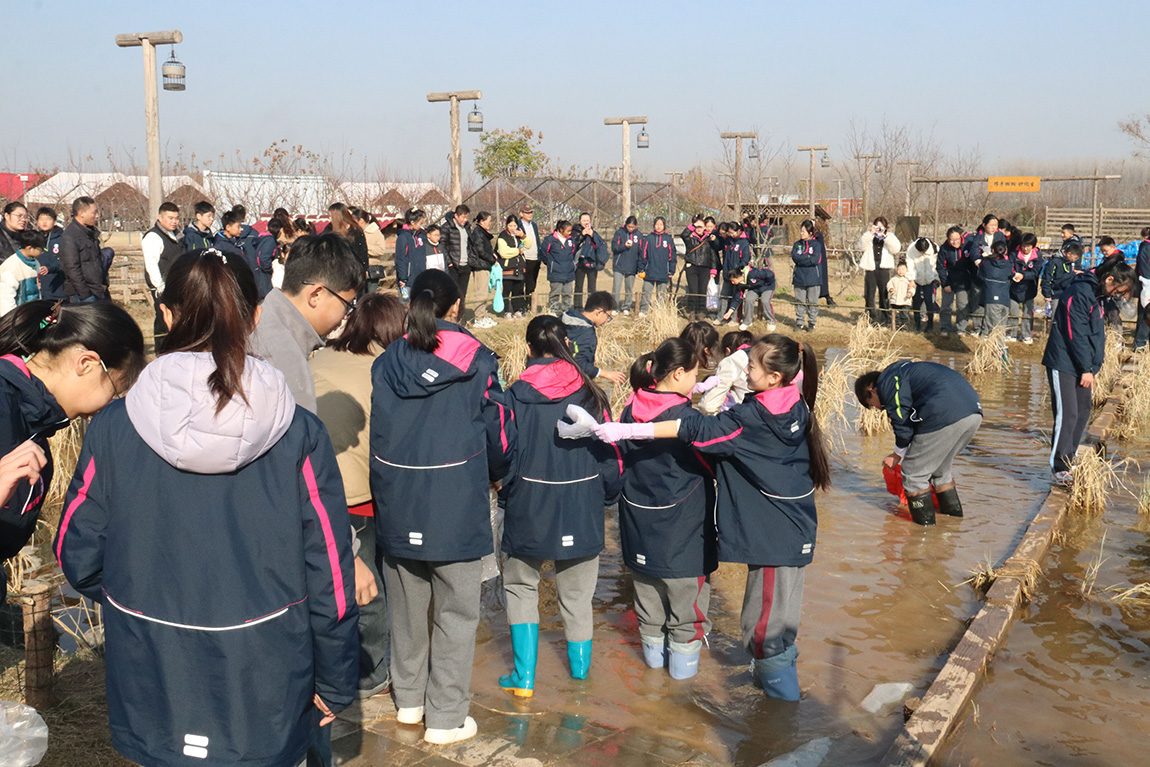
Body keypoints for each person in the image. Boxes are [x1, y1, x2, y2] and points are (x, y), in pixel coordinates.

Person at [55, 250, 357, 767]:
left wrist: (141, 597)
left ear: (166, 314)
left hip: (152, 668)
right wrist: (335, 678)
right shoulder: (297, 430)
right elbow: (330, 570)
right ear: (255, 316)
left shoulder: (112, 427)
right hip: (266, 669)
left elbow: (76, 551)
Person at [562, 333, 830, 701]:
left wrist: (625, 429)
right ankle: (766, 706)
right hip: (785, 528)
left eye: (750, 366)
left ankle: (780, 720)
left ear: (774, 377)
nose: (741, 369)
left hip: (775, 537)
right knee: (767, 625)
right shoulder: (790, 402)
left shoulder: (752, 417)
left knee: (765, 629)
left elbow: (697, 430)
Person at [369, 268, 514, 745]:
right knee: (456, 614)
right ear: (454, 307)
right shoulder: (477, 358)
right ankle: (446, 718)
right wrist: (499, 474)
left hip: (398, 499)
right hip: (455, 499)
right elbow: (498, 432)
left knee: (407, 611)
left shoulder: (387, 359)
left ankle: (409, 702)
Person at [496, 315, 622, 695]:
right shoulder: (592, 393)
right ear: (567, 344)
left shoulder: (514, 394)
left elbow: (502, 454)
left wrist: (504, 494)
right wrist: (608, 496)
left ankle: (524, 679)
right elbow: (612, 454)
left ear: (529, 348)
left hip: (528, 503)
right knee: (578, 597)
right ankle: (580, 679)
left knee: (520, 587)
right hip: (581, 504)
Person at [2, 299, 145, 604]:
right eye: (116, 391)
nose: (111, 405)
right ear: (87, 364)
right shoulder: (4, 405)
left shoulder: (34, 424)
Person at [311, 292, 407, 702]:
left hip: (314, 490)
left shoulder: (316, 357)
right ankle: (371, 674)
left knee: (332, 585)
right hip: (359, 494)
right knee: (371, 588)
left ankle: (331, 666)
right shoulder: (384, 371)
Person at [616, 337, 717, 677]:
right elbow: (712, 460)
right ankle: (680, 697)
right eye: (694, 375)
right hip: (683, 527)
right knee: (686, 612)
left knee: (648, 607)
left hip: (637, 520)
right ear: (677, 374)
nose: (695, 382)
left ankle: (653, 687)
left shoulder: (631, 407)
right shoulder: (684, 418)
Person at [1041, 260, 1135, 484]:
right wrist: (1085, 368)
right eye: (1118, 290)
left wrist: (1093, 367)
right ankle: (1059, 467)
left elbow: (1096, 335)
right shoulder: (1079, 291)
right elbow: (1076, 333)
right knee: (1067, 414)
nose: (1118, 295)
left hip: (1084, 366)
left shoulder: (1099, 296)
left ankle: (1070, 458)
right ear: (1109, 279)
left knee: (1082, 411)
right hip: (1064, 361)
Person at [855, 362, 983, 525]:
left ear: (871, 391)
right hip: (973, 412)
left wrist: (897, 455)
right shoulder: (901, 372)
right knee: (940, 470)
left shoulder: (887, 384)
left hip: (944, 414)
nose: (879, 409)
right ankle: (953, 525)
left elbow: (901, 422)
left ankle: (925, 535)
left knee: (913, 474)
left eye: (872, 404)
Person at [251, 233, 364, 413]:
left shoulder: (260, 318)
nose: (346, 316)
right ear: (316, 295)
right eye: (347, 304)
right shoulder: (285, 362)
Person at [560, 290, 625, 385]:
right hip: (571, 384)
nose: (607, 321)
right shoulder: (587, 334)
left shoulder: (565, 318)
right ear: (599, 312)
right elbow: (579, 364)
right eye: (608, 317)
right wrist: (604, 373)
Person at [141, 201, 185, 341]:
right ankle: (161, 352)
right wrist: (159, 286)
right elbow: (151, 264)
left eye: (176, 218)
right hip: (163, 287)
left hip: (179, 285)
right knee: (163, 321)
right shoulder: (153, 237)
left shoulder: (178, 236)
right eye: (170, 218)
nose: (174, 222)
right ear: (160, 217)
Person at [59, 196, 106, 303]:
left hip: (97, 290)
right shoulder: (70, 237)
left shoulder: (89, 233)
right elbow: (71, 269)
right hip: (82, 295)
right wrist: (85, 295)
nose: (97, 216)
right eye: (94, 213)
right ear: (81, 213)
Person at [699, 329, 754, 415]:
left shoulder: (732, 360)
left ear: (727, 351)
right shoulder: (761, 353)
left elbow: (708, 405)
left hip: (745, 416)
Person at [857, 217, 900, 324]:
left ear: (885, 227)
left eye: (881, 227)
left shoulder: (890, 237)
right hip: (870, 268)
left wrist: (885, 237)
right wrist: (871, 233)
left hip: (883, 269)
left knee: (883, 294)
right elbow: (860, 246)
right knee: (869, 294)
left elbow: (896, 249)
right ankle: (871, 318)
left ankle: (885, 319)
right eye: (877, 226)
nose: (879, 229)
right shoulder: (869, 236)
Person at [1, 229, 48, 314]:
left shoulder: (35, 262)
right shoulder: (11, 267)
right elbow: (6, 300)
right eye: (40, 249)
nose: (42, 252)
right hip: (18, 316)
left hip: (31, 313)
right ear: (29, 248)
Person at [937, 227, 974, 336]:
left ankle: (961, 329)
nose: (955, 242)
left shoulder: (967, 246)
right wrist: (945, 283)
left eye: (957, 239)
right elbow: (940, 267)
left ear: (961, 237)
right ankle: (945, 328)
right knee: (946, 306)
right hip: (949, 280)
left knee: (962, 306)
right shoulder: (944, 249)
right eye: (952, 240)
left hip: (963, 281)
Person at [791, 220, 825, 332]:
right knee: (800, 301)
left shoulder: (816, 245)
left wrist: (803, 259)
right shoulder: (797, 244)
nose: (801, 233)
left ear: (810, 233)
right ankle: (800, 322)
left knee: (812, 301)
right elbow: (795, 257)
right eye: (801, 231)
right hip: (799, 277)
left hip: (813, 278)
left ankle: (812, 323)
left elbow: (815, 260)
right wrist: (806, 258)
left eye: (804, 231)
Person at [638, 217, 676, 315]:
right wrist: (641, 269)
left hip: (663, 272)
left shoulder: (668, 239)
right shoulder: (648, 238)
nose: (659, 226)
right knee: (646, 292)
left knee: (661, 294)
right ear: (654, 225)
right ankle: (643, 310)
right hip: (649, 271)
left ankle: (660, 311)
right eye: (657, 224)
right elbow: (643, 255)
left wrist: (671, 271)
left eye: (661, 224)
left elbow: (672, 256)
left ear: (664, 226)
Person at [1009, 233, 1043, 344]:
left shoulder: (1037, 256)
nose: (1025, 248)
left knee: (1027, 314)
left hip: (1029, 289)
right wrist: (1014, 275)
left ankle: (1027, 335)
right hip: (1013, 288)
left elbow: (1035, 272)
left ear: (1033, 246)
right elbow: (1009, 267)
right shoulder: (1014, 254)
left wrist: (1023, 275)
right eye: (1023, 246)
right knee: (1013, 312)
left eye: (1028, 246)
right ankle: (1011, 334)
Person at [466, 212, 497, 326]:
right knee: (481, 293)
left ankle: (483, 314)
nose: (490, 223)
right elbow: (481, 251)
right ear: (481, 221)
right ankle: (479, 318)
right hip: (480, 266)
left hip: (484, 265)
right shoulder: (478, 233)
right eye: (488, 221)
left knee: (484, 292)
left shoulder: (482, 233)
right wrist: (492, 259)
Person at [976, 241, 1013, 336]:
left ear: (992, 250)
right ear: (1006, 251)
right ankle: (1001, 349)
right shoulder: (1009, 264)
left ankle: (991, 348)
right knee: (1001, 328)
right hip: (1005, 299)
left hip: (991, 297)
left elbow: (980, 276)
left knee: (991, 329)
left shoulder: (987, 263)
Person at [329, 203, 369, 288]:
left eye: (331, 216)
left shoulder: (356, 231)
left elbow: (363, 251)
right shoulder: (330, 230)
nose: (329, 219)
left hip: (354, 272)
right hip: (337, 273)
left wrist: (363, 270)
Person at [572, 212, 607, 310]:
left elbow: (600, 245)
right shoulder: (575, 231)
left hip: (592, 263)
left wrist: (593, 236)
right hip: (580, 263)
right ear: (580, 221)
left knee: (592, 287)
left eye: (587, 220)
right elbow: (573, 244)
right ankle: (577, 306)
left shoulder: (593, 232)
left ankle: (591, 306)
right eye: (584, 221)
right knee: (579, 286)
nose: (586, 223)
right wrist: (582, 235)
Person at [496, 216, 528, 318]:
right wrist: (518, 251)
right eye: (510, 225)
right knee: (506, 291)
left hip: (519, 268)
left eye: (514, 225)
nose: (513, 228)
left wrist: (523, 236)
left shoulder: (518, 236)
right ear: (506, 225)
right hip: (507, 269)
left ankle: (517, 309)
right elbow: (504, 252)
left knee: (517, 291)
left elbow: (527, 245)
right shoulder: (502, 236)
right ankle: (506, 311)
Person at [719, 222, 752, 323]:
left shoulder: (744, 243)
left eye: (733, 233)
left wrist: (737, 271)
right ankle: (720, 316)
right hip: (727, 273)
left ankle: (735, 318)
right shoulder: (728, 241)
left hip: (736, 275)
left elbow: (745, 259)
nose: (731, 235)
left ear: (739, 231)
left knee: (736, 296)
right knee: (724, 295)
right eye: (730, 233)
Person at [542, 219, 576, 313]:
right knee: (555, 293)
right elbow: (544, 253)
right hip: (556, 272)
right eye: (568, 231)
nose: (570, 233)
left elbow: (573, 253)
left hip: (568, 272)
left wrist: (572, 265)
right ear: (561, 230)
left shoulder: (571, 240)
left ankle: (567, 310)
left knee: (568, 293)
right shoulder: (550, 240)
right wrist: (550, 264)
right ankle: (553, 310)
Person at [906, 237, 939, 332]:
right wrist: (911, 279)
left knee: (929, 301)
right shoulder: (912, 249)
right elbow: (910, 264)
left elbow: (936, 264)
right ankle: (917, 324)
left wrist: (936, 277)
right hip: (916, 279)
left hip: (929, 280)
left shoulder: (934, 248)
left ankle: (930, 324)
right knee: (916, 302)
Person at [611, 216, 643, 315]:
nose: (630, 229)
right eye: (629, 227)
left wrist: (639, 267)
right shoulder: (619, 233)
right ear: (626, 225)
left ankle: (626, 306)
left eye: (632, 227)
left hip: (632, 266)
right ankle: (614, 307)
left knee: (629, 287)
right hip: (619, 265)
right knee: (616, 287)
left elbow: (641, 252)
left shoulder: (639, 235)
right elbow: (614, 247)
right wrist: (624, 246)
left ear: (635, 226)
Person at [33, 207, 66, 302]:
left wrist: (51, 268)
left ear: (54, 222)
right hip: (41, 287)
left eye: (47, 218)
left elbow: (65, 261)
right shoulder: (35, 238)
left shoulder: (62, 238)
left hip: (59, 286)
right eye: (41, 218)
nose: (44, 222)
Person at [443, 204, 473, 305]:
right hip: (453, 266)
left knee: (463, 294)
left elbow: (470, 245)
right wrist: (449, 262)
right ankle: (452, 316)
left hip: (466, 265)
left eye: (467, 217)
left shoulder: (467, 228)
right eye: (463, 217)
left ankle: (461, 317)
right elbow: (443, 245)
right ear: (456, 216)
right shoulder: (447, 227)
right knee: (453, 293)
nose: (465, 220)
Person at [395, 209, 427, 300]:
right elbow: (400, 258)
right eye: (420, 223)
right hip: (407, 280)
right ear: (412, 222)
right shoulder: (403, 237)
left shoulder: (422, 236)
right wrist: (403, 278)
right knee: (406, 305)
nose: (422, 226)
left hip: (420, 278)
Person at [1041, 241, 1082, 311]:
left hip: (1068, 294)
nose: (1075, 260)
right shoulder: (1054, 262)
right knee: (1056, 317)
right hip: (1055, 295)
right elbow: (1046, 279)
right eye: (1075, 258)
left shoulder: (1070, 263)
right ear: (1069, 254)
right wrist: (1047, 295)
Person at [515, 205, 542, 312]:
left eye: (531, 212)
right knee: (522, 283)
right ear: (521, 213)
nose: (530, 214)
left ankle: (530, 304)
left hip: (535, 258)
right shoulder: (518, 225)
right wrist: (521, 250)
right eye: (527, 212)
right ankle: (521, 306)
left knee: (532, 284)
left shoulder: (534, 225)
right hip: (524, 258)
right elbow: (517, 241)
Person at [887, 261, 915, 329]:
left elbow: (912, 288)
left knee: (904, 314)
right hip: (895, 300)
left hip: (905, 301)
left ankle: (904, 325)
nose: (900, 271)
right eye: (899, 269)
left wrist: (910, 293)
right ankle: (896, 324)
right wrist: (890, 289)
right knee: (895, 314)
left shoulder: (908, 280)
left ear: (907, 270)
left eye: (903, 269)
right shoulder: (893, 279)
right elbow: (889, 285)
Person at [1135, 228, 1150, 351]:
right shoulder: (1145, 247)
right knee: (1146, 313)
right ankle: (1140, 343)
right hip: (1147, 283)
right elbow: (1143, 267)